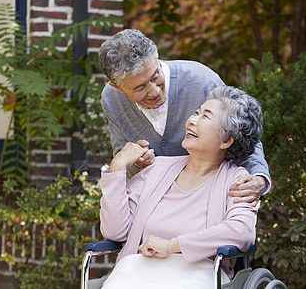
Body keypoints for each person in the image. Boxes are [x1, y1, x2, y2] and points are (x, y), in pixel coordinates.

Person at [99, 86, 262, 288]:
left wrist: (172, 246)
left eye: (206, 117)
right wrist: (118, 167)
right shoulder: (157, 168)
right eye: (196, 112)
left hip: (197, 273)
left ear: (226, 140)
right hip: (136, 271)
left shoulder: (237, 180)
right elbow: (115, 232)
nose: (193, 120)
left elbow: (241, 232)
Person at [99, 29, 271, 204]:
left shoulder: (202, 80)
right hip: (154, 204)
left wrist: (259, 177)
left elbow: (242, 132)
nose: (154, 91)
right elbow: (122, 153)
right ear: (118, 87)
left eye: (155, 76)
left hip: (210, 197)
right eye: (140, 88)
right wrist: (138, 161)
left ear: (157, 60)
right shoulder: (112, 99)